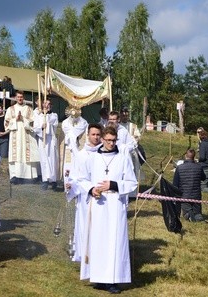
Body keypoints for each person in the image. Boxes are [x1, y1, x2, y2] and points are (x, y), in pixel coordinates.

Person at [77, 126, 138, 294]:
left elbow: (132, 183)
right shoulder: (93, 158)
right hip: (98, 203)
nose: (111, 143)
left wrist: (113, 184)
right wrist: (91, 189)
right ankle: (99, 277)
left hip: (115, 203)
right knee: (98, 240)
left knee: (115, 240)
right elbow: (82, 178)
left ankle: (113, 280)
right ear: (102, 139)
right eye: (108, 140)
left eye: (114, 140)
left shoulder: (123, 158)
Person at [65, 123, 102, 262]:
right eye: (93, 134)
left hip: (102, 196)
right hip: (86, 197)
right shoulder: (81, 155)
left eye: (98, 134)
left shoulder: (104, 154)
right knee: (85, 227)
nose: (96, 137)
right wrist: (70, 186)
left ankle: (98, 256)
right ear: (88, 135)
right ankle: (84, 255)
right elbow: (75, 177)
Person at [4, 91, 40, 184]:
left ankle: (27, 176)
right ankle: (15, 176)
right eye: (18, 97)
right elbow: (6, 123)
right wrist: (15, 119)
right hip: (15, 135)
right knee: (16, 154)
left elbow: (33, 123)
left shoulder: (28, 109)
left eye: (21, 97)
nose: (20, 98)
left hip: (26, 134)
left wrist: (23, 119)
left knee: (25, 154)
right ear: (15, 98)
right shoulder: (10, 109)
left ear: (23, 98)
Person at [173, 149, 206, 222]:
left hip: (184, 196)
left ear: (185, 156)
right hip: (196, 196)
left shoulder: (179, 168)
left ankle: (189, 214)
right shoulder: (199, 167)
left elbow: (175, 183)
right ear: (194, 157)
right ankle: (196, 216)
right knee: (198, 213)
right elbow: (204, 178)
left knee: (186, 213)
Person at [33, 99, 59, 191]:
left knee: (52, 159)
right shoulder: (38, 116)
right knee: (44, 159)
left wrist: (46, 119)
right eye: (46, 104)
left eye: (49, 104)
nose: (47, 105)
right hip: (43, 139)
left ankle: (53, 180)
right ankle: (45, 180)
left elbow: (54, 123)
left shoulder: (54, 115)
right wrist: (41, 127)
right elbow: (35, 128)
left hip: (51, 139)